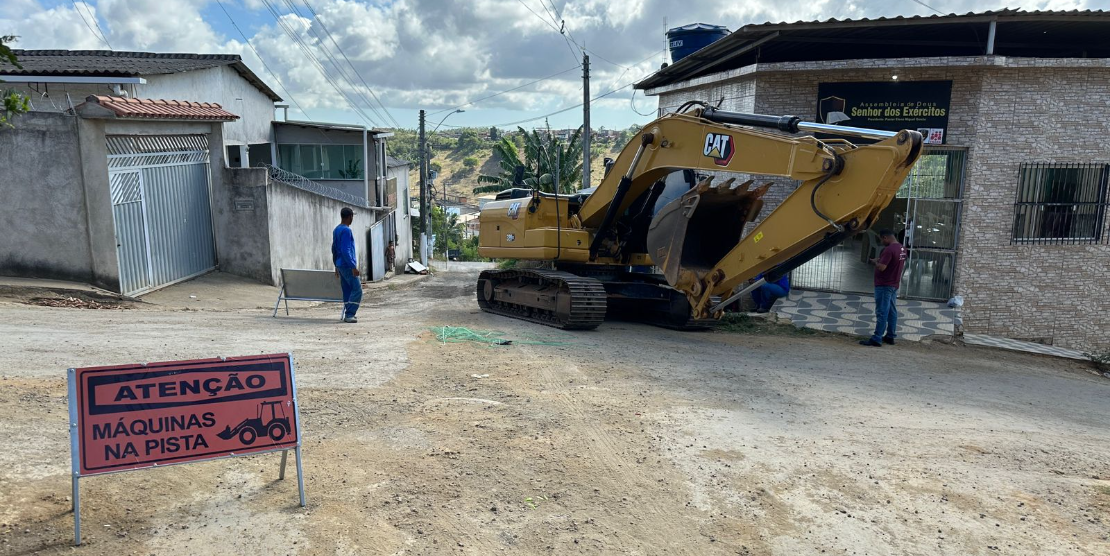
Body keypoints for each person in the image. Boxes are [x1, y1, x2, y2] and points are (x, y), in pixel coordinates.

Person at [860, 229, 906, 347]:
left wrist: (875, 263)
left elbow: (882, 267)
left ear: (885, 237)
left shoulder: (889, 249)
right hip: (894, 284)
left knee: (882, 311)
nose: (881, 242)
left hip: (884, 285)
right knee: (891, 311)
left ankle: (877, 338)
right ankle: (890, 336)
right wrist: (879, 260)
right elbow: (893, 262)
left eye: (881, 239)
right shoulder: (902, 248)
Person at [331, 207, 361, 323]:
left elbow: (334, 249)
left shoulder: (336, 230)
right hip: (347, 265)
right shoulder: (346, 231)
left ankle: (348, 314)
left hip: (340, 265)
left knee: (347, 289)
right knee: (357, 289)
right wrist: (353, 266)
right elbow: (345, 250)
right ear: (350, 217)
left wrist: (336, 265)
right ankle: (349, 314)